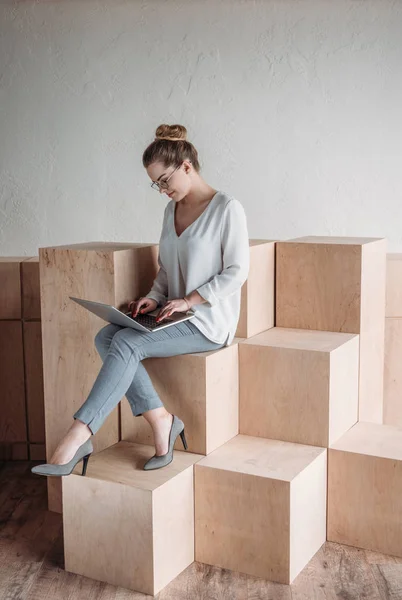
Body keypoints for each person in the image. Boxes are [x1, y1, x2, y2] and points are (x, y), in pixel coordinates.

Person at [31, 123, 250, 476]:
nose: (162, 190)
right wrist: (153, 298)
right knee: (105, 336)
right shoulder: (170, 212)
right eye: (156, 184)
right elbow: (166, 270)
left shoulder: (227, 209)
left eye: (164, 180)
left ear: (187, 167)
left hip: (208, 321)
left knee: (128, 344)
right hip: (173, 314)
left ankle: (78, 435)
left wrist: (191, 300)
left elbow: (237, 272)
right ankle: (162, 420)